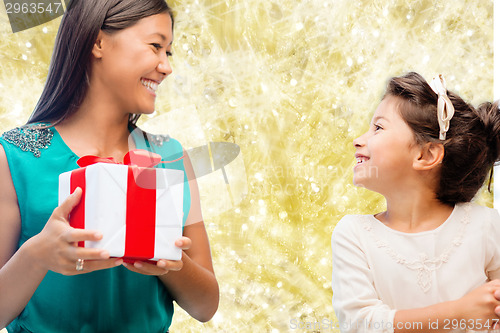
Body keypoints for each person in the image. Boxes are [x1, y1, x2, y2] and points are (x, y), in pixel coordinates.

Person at [0, 0, 219, 332]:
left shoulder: (171, 158)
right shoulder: (16, 157)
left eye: (168, 53)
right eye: (156, 46)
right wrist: (37, 254)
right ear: (98, 43)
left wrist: (172, 263)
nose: (166, 66)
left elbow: (206, 306)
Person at [331, 72, 500, 333]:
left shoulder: (487, 227)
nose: (358, 140)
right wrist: (462, 312)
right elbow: (360, 324)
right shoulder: (354, 235)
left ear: (426, 154)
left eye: (378, 127)